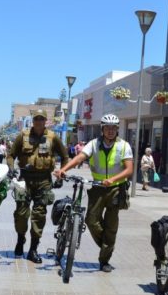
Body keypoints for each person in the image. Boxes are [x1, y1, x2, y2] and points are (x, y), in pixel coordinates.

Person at [55, 114, 134, 272]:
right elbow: (79, 158)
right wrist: (63, 169)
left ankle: (104, 260)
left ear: (117, 129)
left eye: (113, 128)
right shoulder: (94, 144)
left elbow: (129, 169)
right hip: (97, 187)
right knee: (91, 220)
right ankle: (107, 244)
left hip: (116, 189)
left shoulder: (124, 146)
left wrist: (112, 179)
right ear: (102, 129)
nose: (110, 131)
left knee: (111, 226)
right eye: (107, 128)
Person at [7, 109, 69, 263]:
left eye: (41, 119)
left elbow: (65, 156)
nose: (39, 122)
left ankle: (33, 249)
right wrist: (11, 168)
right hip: (24, 180)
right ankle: (20, 239)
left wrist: (61, 173)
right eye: (36, 119)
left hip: (44, 181)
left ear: (45, 121)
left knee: (39, 215)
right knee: (21, 214)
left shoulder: (52, 137)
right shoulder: (23, 135)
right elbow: (11, 155)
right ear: (33, 120)